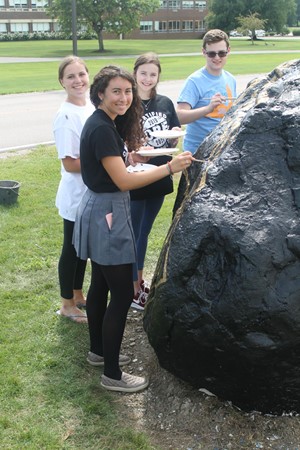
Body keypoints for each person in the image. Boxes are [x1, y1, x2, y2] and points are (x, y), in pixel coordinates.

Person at [73, 65, 194, 393]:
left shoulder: (104, 124)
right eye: (116, 91)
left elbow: (113, 167)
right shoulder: (101, 128)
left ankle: (98, 352)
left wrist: (129, 156)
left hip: (100, 208)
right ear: (101, 93)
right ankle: (112, 374)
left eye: (127, 91)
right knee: (123, 292)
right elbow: (124, 181)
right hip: (108, 214)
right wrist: (169, 166)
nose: (124, 97)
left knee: (100, 283)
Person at [130, 52, 182, 310]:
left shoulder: (165, 102)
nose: (148, 78)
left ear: (158, 76)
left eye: (153, 74)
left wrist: (174, 135)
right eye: (143, 73)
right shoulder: (127, 102)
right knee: (135, 232)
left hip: (161, 171)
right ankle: (133, 287)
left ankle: (137, 283)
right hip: (137, 174)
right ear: (135, 74)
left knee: (145, 231)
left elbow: (172, 139)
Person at [53, 55, 94, 324]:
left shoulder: (90, 106)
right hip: (75, 196)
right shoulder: (65, 115)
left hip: (91, 194)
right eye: (71, 76)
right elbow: (69, 163)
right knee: (71, 248)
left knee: (83, 250)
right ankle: (67, 304)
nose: (78, 80)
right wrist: (105, 162)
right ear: (62, 82)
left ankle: (78, 295)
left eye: (81, 74)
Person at [176, 29, 237, 154]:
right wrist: (208, 109)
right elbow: (179, 116)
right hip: (197, 151)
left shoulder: (231, 79)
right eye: (211, 54)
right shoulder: (194, 81)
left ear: (228, 51)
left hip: (222, 150)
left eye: (221, 53)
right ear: (204, 52)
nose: (217, 58)